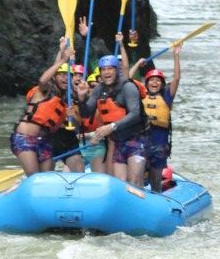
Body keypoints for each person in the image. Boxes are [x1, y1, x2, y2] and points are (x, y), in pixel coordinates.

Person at [76, 54, 149, 186]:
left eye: (110, 69)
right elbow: (86, 112)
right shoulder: (99, 89)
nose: (106, 72)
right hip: (118, 142)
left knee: (134, 181)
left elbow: (135, 113)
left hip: (136, 140)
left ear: (117, 70)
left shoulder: (128, 87)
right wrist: (81, 98)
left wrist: (112, 126)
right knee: (119, 183)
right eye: (103, 69)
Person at [130, 44, 181, 192]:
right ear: (146, 84)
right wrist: (138, 64)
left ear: (162, 84)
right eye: (151, 80)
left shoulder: (167, 96)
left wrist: (176, 55)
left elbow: (176, 79)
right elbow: (128, 80)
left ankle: (157, 197)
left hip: (159, 144)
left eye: (158, 80)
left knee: (155, 179)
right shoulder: (140, 95)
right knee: (137, 174)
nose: (154, 82)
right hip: (141, 142)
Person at [38, 40, 85, 171]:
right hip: (48, 137)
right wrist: (61, 51)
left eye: (67, 76)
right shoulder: (48, 91)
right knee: (44, 173)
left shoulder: (74, 96)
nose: (65, 79)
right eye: (61, 75)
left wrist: (73, 117)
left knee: (78, 168)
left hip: (67, 138)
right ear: (55, 77)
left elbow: (77, 127)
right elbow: (45, 78)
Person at [9, 84, 63, 175]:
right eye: (61, 74)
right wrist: (55, 68)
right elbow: (43, 81)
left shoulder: (65, 104)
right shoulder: (41, 92)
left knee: (47, 177)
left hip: (44, 141)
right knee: (34, 175)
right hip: (25, 138)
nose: (65, 78)